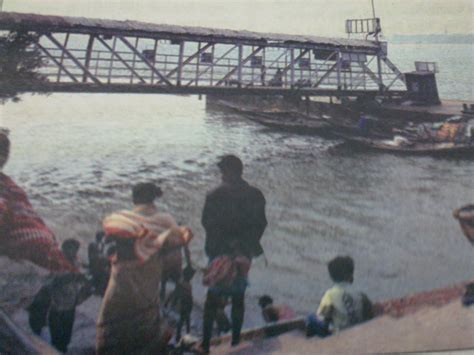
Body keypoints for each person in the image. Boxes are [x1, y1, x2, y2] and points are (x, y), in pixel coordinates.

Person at [96, 182, 193, 354]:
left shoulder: (121, 219)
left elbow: (105, 251)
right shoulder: (165, 220)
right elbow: (176, 251)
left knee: (112, 320)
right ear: (154, 197)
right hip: (148, 275)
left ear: (134, 198)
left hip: (121, 278)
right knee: (145, 319)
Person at [198, 155, 267, 353]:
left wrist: (224, 246)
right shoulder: (255, 194)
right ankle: (236, 341)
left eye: (222, 172)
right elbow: (260, 224)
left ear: (229, 172)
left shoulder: (214, 195)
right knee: (238, 297)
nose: (221, 176)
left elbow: (208, 224)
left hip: (219, 252)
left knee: (212, 298)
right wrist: (243, 246)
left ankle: (205, 344)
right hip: (243, 253)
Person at [0, 131, 76, 272]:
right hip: (43, 238)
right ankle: (70, 262)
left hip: (27, 245)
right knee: (62, 267)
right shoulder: (11, 185)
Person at [28, 239, 91, 353]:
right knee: (57, 340)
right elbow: (48, 282)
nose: (74, 252)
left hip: (70, 307)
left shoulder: (76, 262)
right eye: (72, 249)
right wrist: (68, 278)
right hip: (57, 308)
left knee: (65, 340)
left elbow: (79, 281)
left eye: (76, 249)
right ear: (65, 249)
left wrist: (81, 284)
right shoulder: (55, 262)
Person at [306, 256, 373, 337]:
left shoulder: (330, 295)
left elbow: (322, 318)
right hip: (357, 330)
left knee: (311, 318)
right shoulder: (361, 294)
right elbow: (369, 314)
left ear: (332, 277)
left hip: (340, 334)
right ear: (351, 276)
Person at [88, 231, 110, 296]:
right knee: (104, 273)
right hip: (94, 264)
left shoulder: (101, 244)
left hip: (99, 263)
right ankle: (98, 290)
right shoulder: (93, 244)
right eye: (102, 236)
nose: (102, 238)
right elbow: (93, 256)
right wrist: (102, 258)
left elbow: (101, 254)